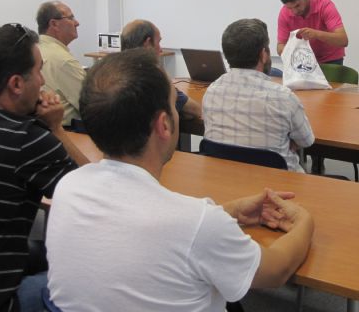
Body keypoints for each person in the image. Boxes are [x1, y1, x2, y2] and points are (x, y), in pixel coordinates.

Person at [46, 48, 314, 311]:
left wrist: (227, 212)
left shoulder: (68, 188)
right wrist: (304, 221)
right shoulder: (196, 223)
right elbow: (275, 270)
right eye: (175, 102)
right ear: (163, 125)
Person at [0, 24, 87, 312]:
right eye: (39, 71)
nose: (42, 82)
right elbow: (92, 194)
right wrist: (55, 129)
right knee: (73, 276)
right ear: (16, 84)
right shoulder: (27, 141)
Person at [203, 19, 314, 172]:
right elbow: (306, 141)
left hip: (225, 184)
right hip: (280, 189)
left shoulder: (211, 92)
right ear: (263, 55)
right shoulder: (284, 97)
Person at [120, 19, 202, 119]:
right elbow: (195, 110)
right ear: (148, 43)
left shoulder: (109, 74)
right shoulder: (154, 79)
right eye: (158, 42)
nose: (161, 49)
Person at [36, 1, 87, 126]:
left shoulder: (35, 48)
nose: (77, 23)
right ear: (54, 24)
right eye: (71, 18)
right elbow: (91, 105)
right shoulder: (63, 60)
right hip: (69, 131)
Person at [277, 0, 348, 64]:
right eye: (290, 8)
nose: (294, 12)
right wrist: (290, 51)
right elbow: (280, 46)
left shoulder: (324, 5)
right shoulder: (284, 13)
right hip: (303, 62)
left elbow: (343, 40)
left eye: (297, 6)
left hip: (331, 60)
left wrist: (316, 34)